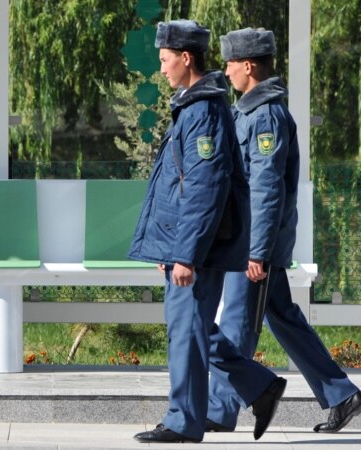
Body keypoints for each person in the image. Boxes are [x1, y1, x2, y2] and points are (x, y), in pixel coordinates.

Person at [127, 20, 287, 444]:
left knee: (187, 330)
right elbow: (178, 185)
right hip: (187, 245)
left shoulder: (203, 112)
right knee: (192, 328)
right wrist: (172, 246)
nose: (160, 69)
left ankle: (183, 420)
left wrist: (186, 255)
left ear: (185, 58)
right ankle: (258, 386)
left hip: (198, 250)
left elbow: (205, 189)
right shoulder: (194, 106)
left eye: (164, 61)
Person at [206, 27, 361, 434]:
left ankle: (220, 411)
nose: (225, 72)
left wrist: (257, 251)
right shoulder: (251, 110)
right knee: (282, 316)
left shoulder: (266, 116)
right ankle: (341, 394)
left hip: (254, 244)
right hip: (252, 240)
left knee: (237, 323)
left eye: (229, 64)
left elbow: (265, 189)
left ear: (248, 66)